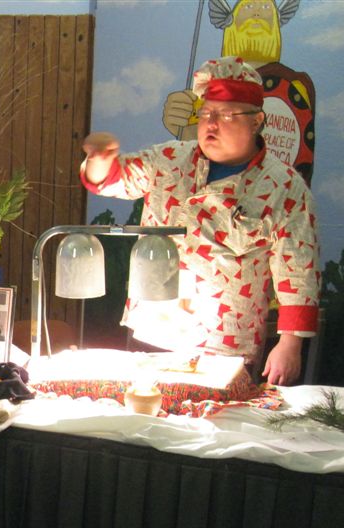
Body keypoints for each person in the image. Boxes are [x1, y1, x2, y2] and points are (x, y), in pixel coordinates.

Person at [81, 56, 320, 385]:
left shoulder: (285, 187)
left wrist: (289, 344)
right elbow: (110, 179)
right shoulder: (170, 160)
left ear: (256, 121)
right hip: (154, 331)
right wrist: (99, 159)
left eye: (226, 115)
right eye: (206, 113)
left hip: (226, 344)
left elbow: (298, 268)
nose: (211, 124)